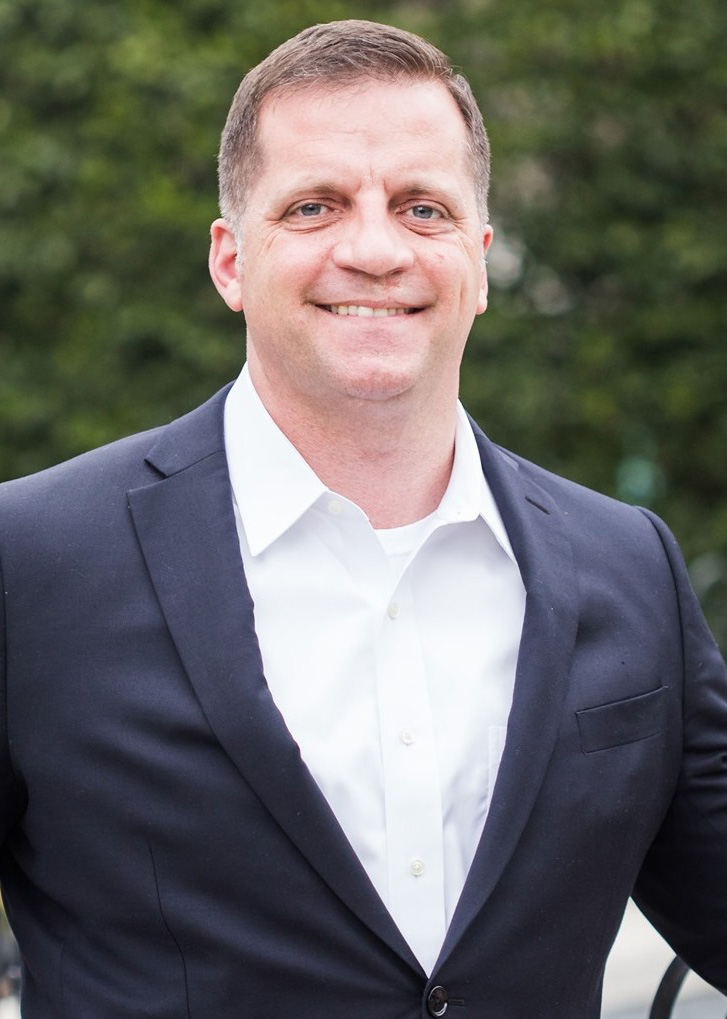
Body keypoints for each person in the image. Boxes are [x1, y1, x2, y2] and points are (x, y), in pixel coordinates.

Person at [0, 19, 725, 1019]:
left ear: (478, 259)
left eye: (422, 208)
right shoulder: (32, 560)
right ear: (230, 261)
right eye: (315, 206)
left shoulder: (628, 564)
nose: (376, 249)